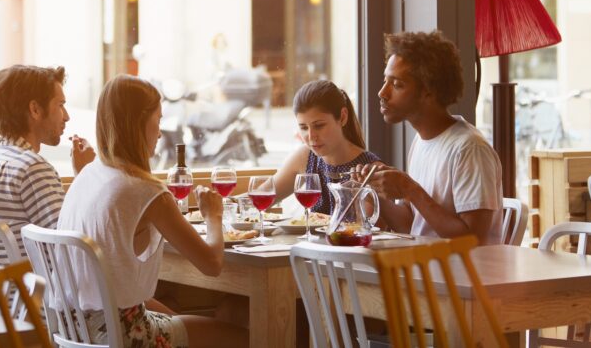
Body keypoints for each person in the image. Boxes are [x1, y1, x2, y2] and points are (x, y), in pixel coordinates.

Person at [59, 75, 247, 348]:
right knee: (246, 338)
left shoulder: (88, 174)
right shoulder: (146, 191)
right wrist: (213, 216)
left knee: (186, 318)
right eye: (158, 120)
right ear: (138, 123)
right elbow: (212, 264)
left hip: (75, 329)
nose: (159, 133)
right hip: (124, 334)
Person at [355, 31, 503, 244]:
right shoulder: (421, 141)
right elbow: (412, 225)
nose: (382, 93)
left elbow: (474, 240)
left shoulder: (469, 149)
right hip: (427, 269)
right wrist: (372, 191)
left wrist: (410, 189)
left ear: (428, 92)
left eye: (397, 84)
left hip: (464, 275)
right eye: (385, 81)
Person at [0, 65, 95, 260]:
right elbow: (72, 252)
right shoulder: (32, 169)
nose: (67, 116)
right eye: (60, 105)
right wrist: (85, 175)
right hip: (33, 289)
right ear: (35, 109)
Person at [272, 80, 380, 215]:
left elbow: (372, 229)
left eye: (319, 126)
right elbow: (263, 196)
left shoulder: (369, 169)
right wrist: (237, 203)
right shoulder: (305, 156)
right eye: (304, 128)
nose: (311, 137)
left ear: (342, 117)